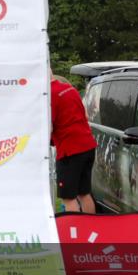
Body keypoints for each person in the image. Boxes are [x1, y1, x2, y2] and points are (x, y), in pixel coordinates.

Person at [51, 73, 97, 213]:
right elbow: (85, 116)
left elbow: (48, 126)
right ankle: (91, 228)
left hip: (70, 150)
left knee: (68, 198)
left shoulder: (49, 94)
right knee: (84, 193)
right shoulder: (70, 89)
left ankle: (74, 232)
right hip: (87, 145)